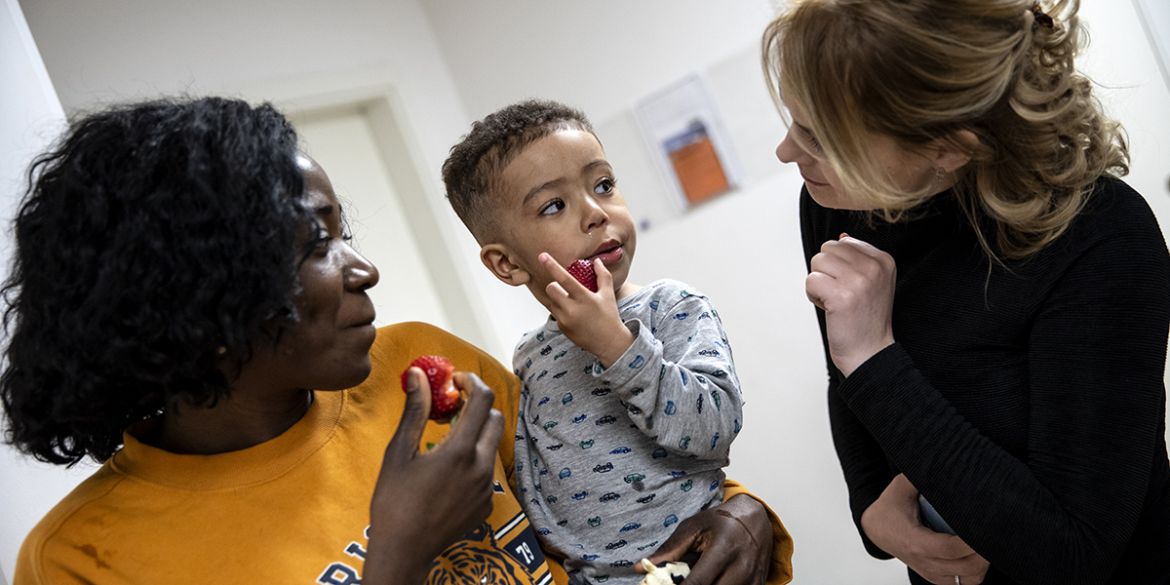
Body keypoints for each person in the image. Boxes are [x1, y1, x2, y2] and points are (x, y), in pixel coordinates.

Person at [2, 97, 787, 585]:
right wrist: (398, 555)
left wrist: (746, 515)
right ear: (198, 291)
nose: (364, 268)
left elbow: (624, 481)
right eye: (317, 243)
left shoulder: (421, 368)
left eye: (347, 235)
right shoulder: (84, 559)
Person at [762, 1, 1170, 584]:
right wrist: (873, 509)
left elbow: (1074, 552)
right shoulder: (840, 203)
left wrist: (874, 357)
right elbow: (846, 374)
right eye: (794, 121)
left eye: (819, 136)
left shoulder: (1103, 238)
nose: (787, 152)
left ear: (949, 147)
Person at [441, 100, 782, 584]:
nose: (597, 213)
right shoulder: (530, 356)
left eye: (602, 185)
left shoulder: (673, 307)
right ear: (508, 265)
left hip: (701, 566)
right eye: (554, 205)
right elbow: (539, 481)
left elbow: (716, 427)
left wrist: (620, 349)